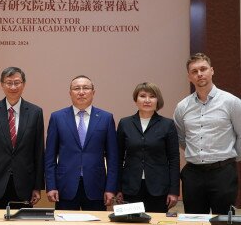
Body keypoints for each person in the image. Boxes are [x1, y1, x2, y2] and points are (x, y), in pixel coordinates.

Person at [174, 53, 241, 214]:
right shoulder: (182, 107)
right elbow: (182, 138)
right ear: (189, 77)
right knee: (195, 223)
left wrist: (231, 158)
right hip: (193, 174)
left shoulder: (231, 102)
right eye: (194, 71)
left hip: (223, 172)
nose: (199, 74)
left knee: (225, 222)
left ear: (212, 71)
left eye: (203, 69)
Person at [45, 75, 118, 211]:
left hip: (96, 187)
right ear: (70, 93)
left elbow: (113, 158)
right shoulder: (57, 117)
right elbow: (49, 156)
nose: (81, 92)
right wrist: (51, 185)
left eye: (86, 88)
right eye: (76, 88)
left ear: (93, 92)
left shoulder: (106, 118)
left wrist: (111, 188)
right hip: (65, 187)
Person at [0, 67, 44, 209]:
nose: (13, 87)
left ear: (23, 84)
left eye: (17, 82)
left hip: (25, 184)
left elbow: (38, 152)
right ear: (1, 84)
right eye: (8, 82)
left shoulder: (35, 112)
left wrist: (38, 186)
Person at [116, 82, 180, 213]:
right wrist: (117, 188)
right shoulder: (125, 123)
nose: (147, 100)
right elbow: (118, 158)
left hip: (159, 188)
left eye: (152, 96)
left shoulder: (167, 125)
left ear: (158, 100)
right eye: (142, 96)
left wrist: (174, 191)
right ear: (136, 99)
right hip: (130, 187)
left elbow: (174, 159)